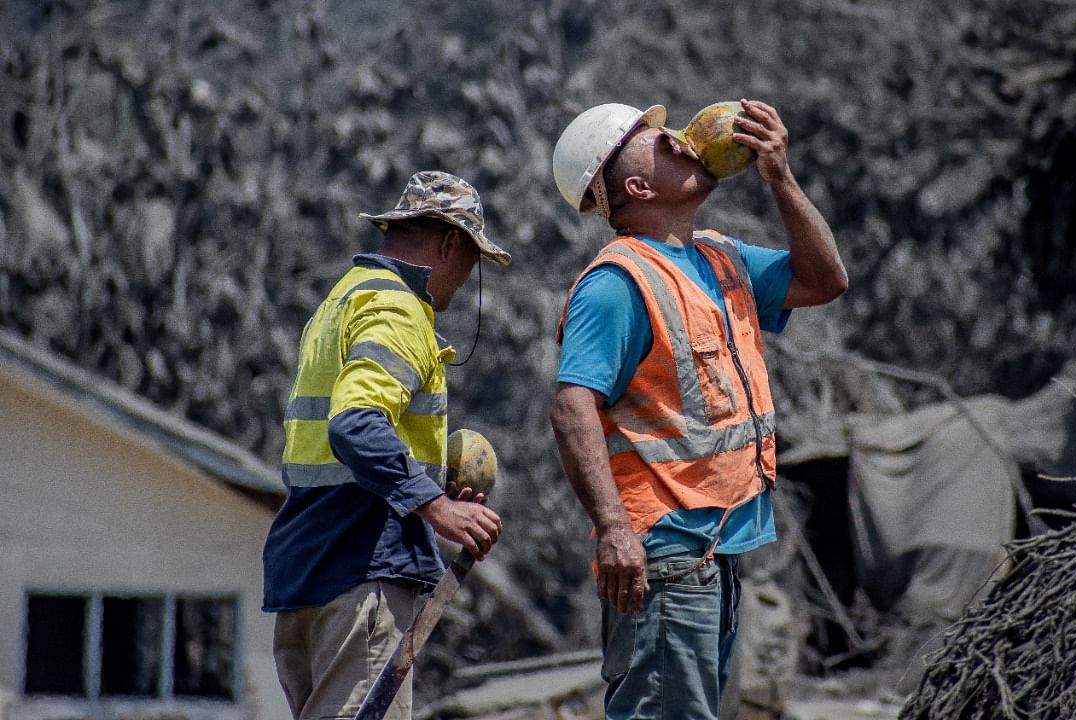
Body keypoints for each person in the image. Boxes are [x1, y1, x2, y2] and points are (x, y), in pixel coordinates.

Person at [548, 100, 848, 719]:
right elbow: (572, 406)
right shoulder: (616, 283)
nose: (685, 142)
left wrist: (781, 178)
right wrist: (614, 530)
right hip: (662, 555)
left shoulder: (718, 258)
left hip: (714, 552)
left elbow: (825, 281)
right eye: (660, 143)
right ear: (635, 186)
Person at [262, 170, 510, 720]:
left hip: (309, 567)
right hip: (361, 570)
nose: (467, 279)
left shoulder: (342, 300)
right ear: (449, 243)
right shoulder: (398, 309)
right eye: (471, 261)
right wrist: (435, 505)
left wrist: (426, 484)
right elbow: (355, 424)